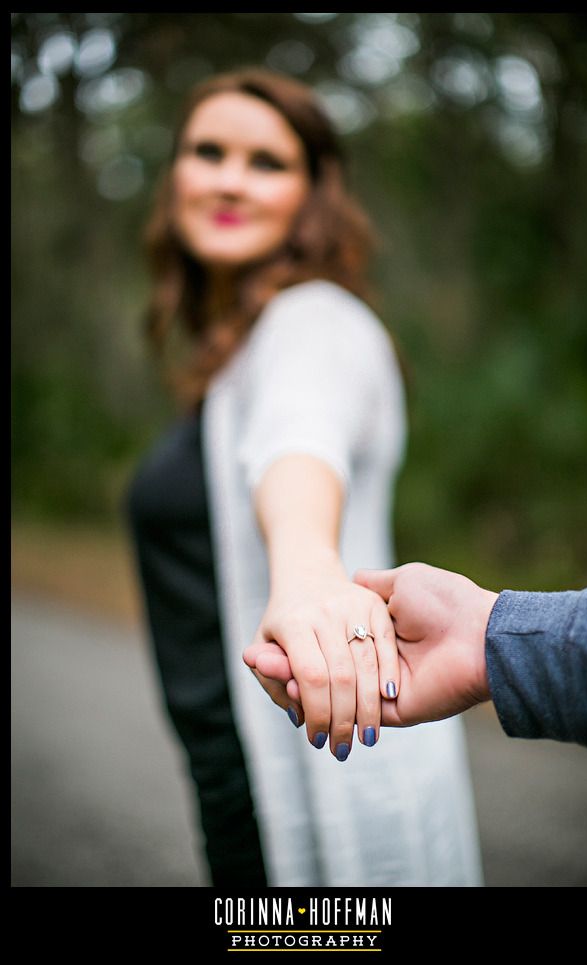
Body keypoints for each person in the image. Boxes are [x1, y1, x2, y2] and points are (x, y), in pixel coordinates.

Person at [127, 67, 483, 887]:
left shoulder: (314, 323)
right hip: (235, 785)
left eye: (267, 162)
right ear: (175, 173)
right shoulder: (233, 358)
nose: (229, 179)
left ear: (312, 194)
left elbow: (299, 439)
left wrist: (308, 572)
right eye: (208, 151)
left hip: (319, 789)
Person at [245, 562, 587, 749]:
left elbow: (300, 453)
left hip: (382, 658)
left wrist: (307, 573)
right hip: (384, 661)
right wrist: (479, 633)